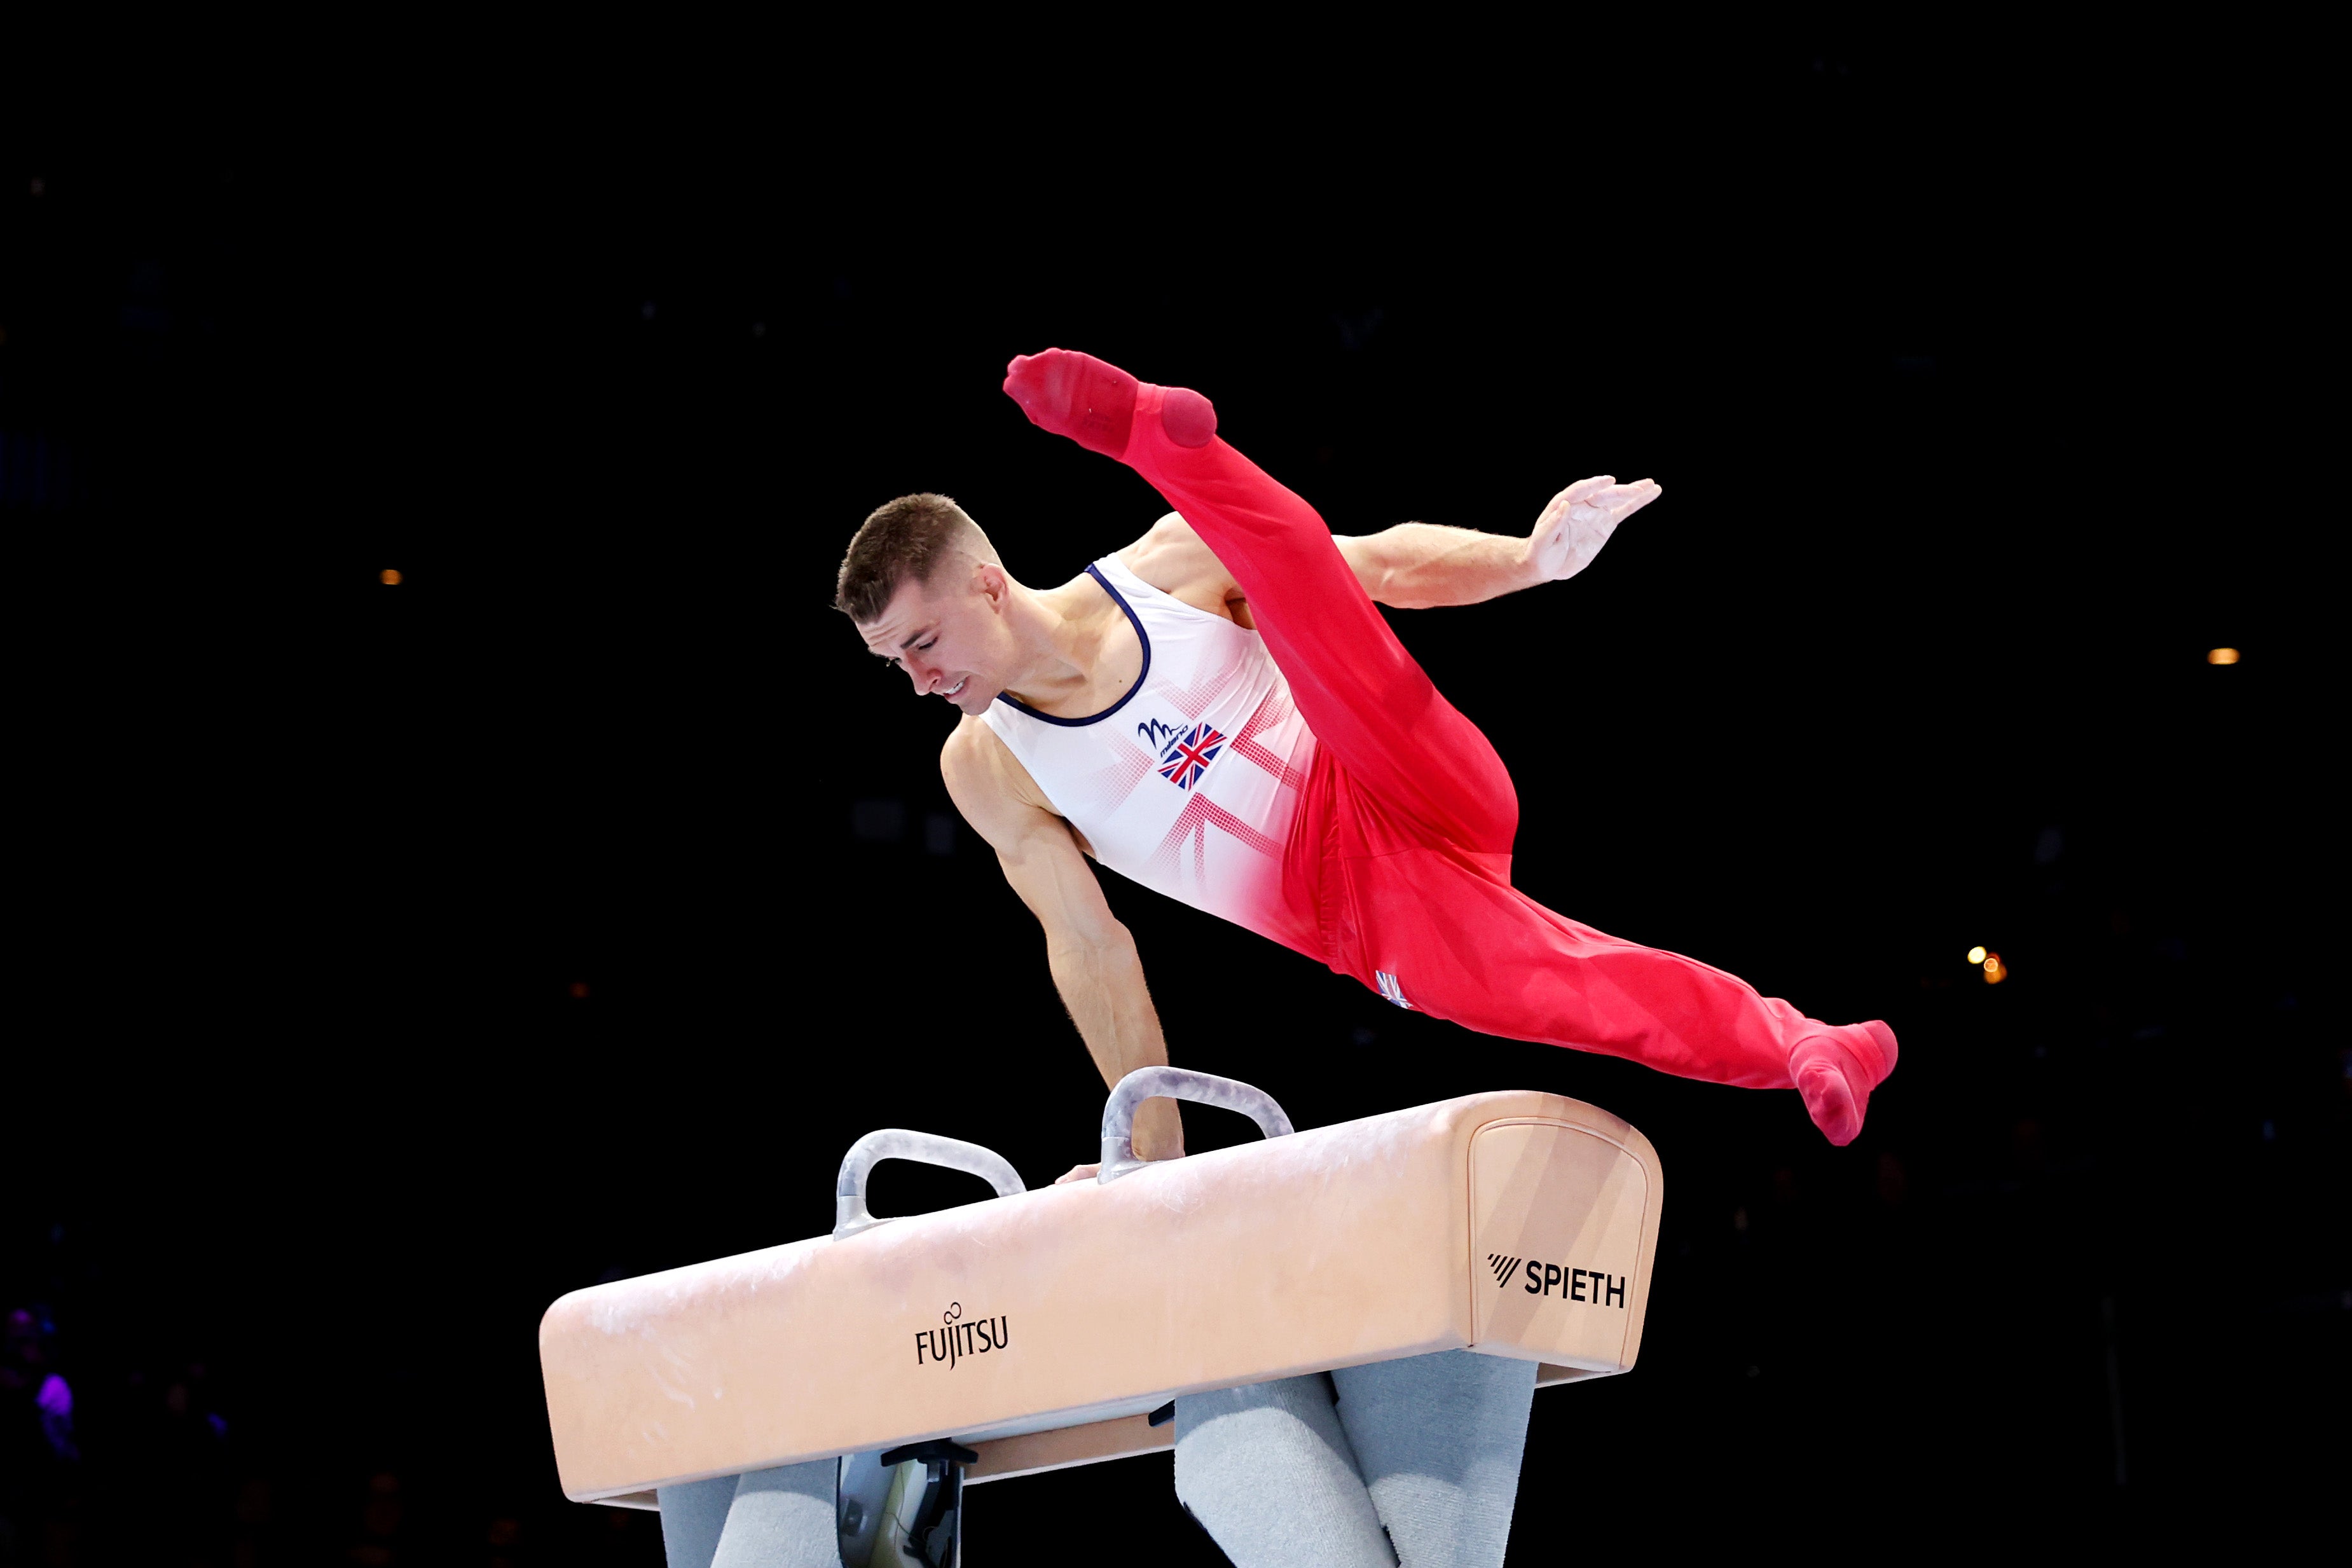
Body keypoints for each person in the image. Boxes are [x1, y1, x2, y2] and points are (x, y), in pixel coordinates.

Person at [837, 348, 1898, 1177]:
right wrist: (1152, 1153)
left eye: (920, 644)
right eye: (894, 664)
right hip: (1369, 912)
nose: (918, 682)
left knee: (1303, 602)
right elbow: (1091, 946)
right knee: (1584, 992)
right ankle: (1813, 1047)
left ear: (983, 583)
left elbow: (1378, 567)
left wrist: (1532, 562)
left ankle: (1160, 440)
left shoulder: (1164, 568)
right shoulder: (989, 765)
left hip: (1385, 764)